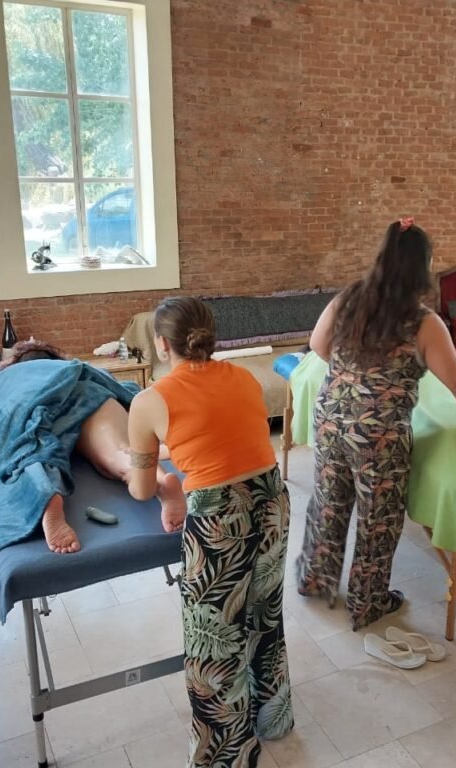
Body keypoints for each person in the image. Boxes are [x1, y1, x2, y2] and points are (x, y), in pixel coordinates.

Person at [296, 217, 456, 631]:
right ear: (423, 266)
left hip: (331, 418)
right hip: (378, 437)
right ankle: (368, 602)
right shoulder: (423, 322)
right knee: (378, 518)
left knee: (329, 501)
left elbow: (318, 345)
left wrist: (356, 374)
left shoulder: (349, 298)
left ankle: (315, 581)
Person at [126, 297, 292, 768]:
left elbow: (141, 489)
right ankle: (272, 719)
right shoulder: (245, 377)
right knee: (263, 616)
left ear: (162, 344)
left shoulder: (148, 402)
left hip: (220, 520)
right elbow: (226, 438)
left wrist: (160, 480)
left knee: (214, 641)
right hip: (273, 502)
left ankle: (227, 755)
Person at [0, 339, 186, 554]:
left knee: (33, 452)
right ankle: (160, 482)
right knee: (122, 450)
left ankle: (48, 495)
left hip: (38, 407)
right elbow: (120, 388)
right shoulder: (76, 369)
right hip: (90, 395)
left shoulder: (11, 379)